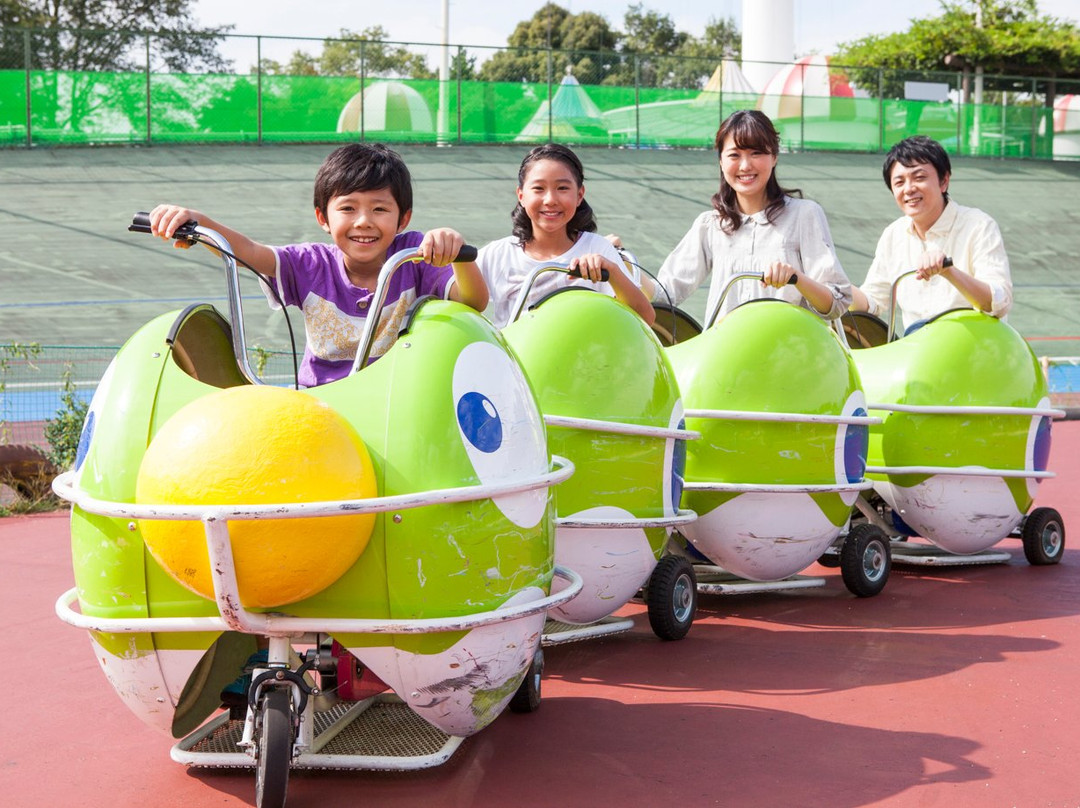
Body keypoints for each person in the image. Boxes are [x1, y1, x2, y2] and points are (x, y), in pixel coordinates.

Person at [149, 142, 488, 387]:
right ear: (323, 217)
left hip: (394, 402)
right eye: (348, 208)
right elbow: (250, 252)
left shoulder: (413, 254)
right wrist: (200, 222)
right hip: (324, 407)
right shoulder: (310, 264)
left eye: (380, 209)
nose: (364, 222)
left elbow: (472, 301)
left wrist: (457, 254)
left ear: (403, 219)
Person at [652, 109, 851, 326]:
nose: (746, 165)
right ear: (720, 161)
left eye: (756, 153)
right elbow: (663, 294)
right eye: (734, 155)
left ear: (774, 157)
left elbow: (837, 302)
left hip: (790, 352)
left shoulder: (804, 214)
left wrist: (796, 278)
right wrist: (623, 265)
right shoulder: (710, 225)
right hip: (727, 353)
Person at [476, 143, 655, 329]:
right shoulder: (499, 254)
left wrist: (612, 272)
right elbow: (458, 296)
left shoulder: (597, 248)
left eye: (562, 188)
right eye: (538, 188)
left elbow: (645, 319)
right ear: (521, 195)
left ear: (579, 195)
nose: (550, 200)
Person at [850, 135, 1012, 334]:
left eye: (919, 178)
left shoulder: (978, 225)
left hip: (975, 353)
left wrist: (948, 271)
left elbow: (998, 301)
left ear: (944, 181)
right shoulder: (893, 235)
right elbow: (872, 301)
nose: (909, 189)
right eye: (899, 182)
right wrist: (836, 288)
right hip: (921, 356)